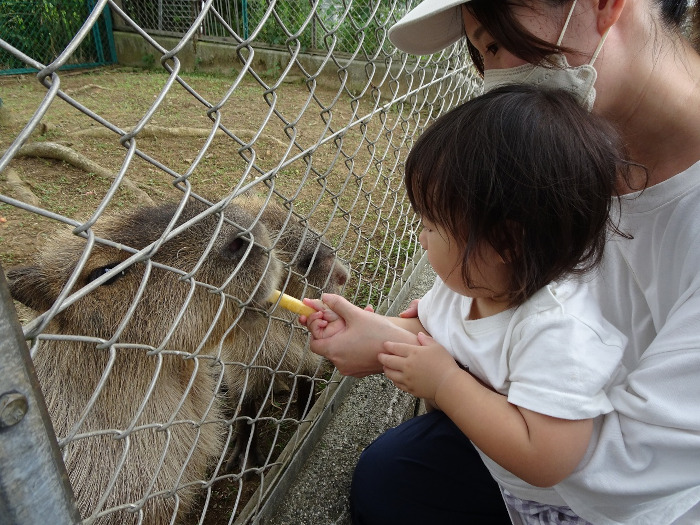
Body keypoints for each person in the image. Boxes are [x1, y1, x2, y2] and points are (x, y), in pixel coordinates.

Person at [307, 0, 700, 523]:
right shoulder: (544, 163)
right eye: (479, 53)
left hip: (622, 491)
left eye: (495, 43)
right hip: (534, 415)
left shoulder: (550, 182)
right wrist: (395, 340)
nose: (492, 79)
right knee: (392, 478)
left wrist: (431, 370)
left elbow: (625, 466)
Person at [303, 83, 634, 524]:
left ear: (504, 241)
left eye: (431, 225)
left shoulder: (560, 331)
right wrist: (366, 327)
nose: (420, 236)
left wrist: (445, 384)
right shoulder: (468, 286)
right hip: (499, 476)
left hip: (561, 506)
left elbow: (546, 460)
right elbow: (432, 335)